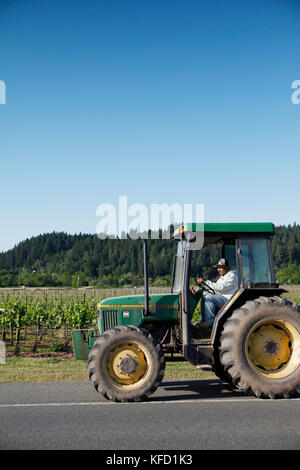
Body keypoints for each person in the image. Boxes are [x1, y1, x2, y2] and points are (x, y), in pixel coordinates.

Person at [192, 258, 238, 329]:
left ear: (227, 267)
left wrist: (205, 282)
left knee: (209, 298)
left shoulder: (232, 276)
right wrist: (196, 289)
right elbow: (214, 289)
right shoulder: (223, 277)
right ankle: (202, 321)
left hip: (230, 300)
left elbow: (220, 287)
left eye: (221, 268)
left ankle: (210, 322)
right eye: (218, 268)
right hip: (222, 297)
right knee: (205, 296)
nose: (218, 269)